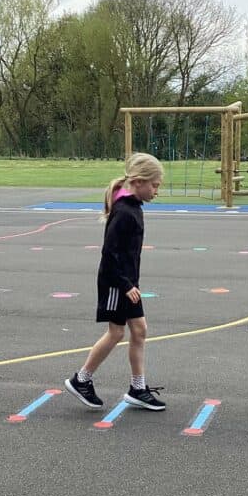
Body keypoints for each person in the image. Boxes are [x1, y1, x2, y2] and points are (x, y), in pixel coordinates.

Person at [65, 152, 166, 412]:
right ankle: (82, 379)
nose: (157, 190)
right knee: (117, 332)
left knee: (140, 330)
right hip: (116, 283)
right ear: (140, 181)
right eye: (154, 185)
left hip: (128, 282)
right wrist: (126, 285)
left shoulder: (132, 207)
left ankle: (138, 388)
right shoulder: (123, 212)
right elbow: (109, 254)